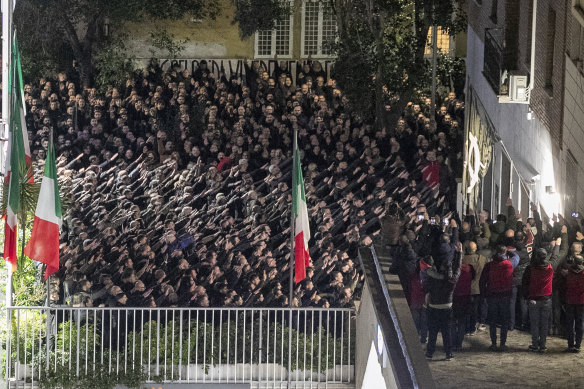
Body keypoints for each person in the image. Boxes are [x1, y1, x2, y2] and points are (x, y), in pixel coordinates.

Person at [424, 241, 462, 361]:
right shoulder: (451, 280)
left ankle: (429, 353)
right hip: (447, 306)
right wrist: (459, 253)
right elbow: (458, 268)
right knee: (446, 332)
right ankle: (448, 353)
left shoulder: (430, 274)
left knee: (433, 331)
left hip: (434, 305)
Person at [480, 245, 519, 352]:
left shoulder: (489, 265)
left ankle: (493, 343)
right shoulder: (510, 263)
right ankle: (502, 343)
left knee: (492, 321)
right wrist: (509, 251)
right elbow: (516, 256)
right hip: (505, 296)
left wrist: (483, 294)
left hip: (492, 296)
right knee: (504, 321)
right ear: (505, 253)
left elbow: (482, 281)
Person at [522, 243, 559, 353]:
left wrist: (526, 296)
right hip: (546, 299)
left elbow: (525, 283)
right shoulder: (550, 267)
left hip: (533, 298)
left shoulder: (530, 268)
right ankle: (542, 345)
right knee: (544, 324)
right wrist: (557, 245)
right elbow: (556, 257)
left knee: (534, 323)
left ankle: (534, 344)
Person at [562, 254, 584, 352]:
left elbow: (563, 283)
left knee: (570, 323)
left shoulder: (568, 272)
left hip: (570, 300)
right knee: (580, 323)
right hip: (581, 301)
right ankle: (578, 345)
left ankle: (570, 345)